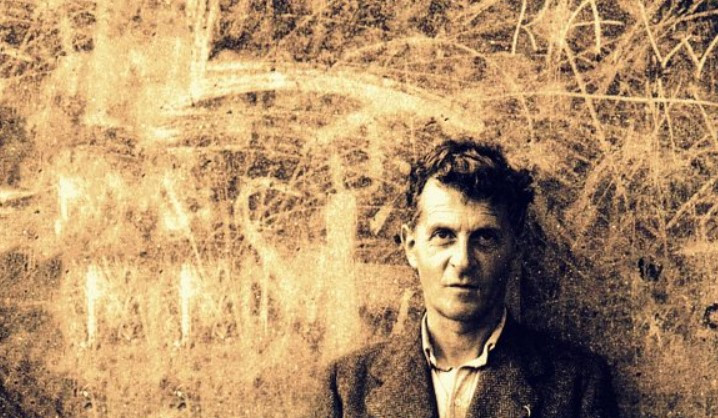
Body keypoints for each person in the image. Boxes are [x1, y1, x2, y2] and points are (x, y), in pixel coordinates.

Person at [310, 139, 619, 417]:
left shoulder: (578, 387)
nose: (463, 261)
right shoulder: (346, 388)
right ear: (411, 246)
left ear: (514, 248)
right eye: (443, 235)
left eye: (484, 238)